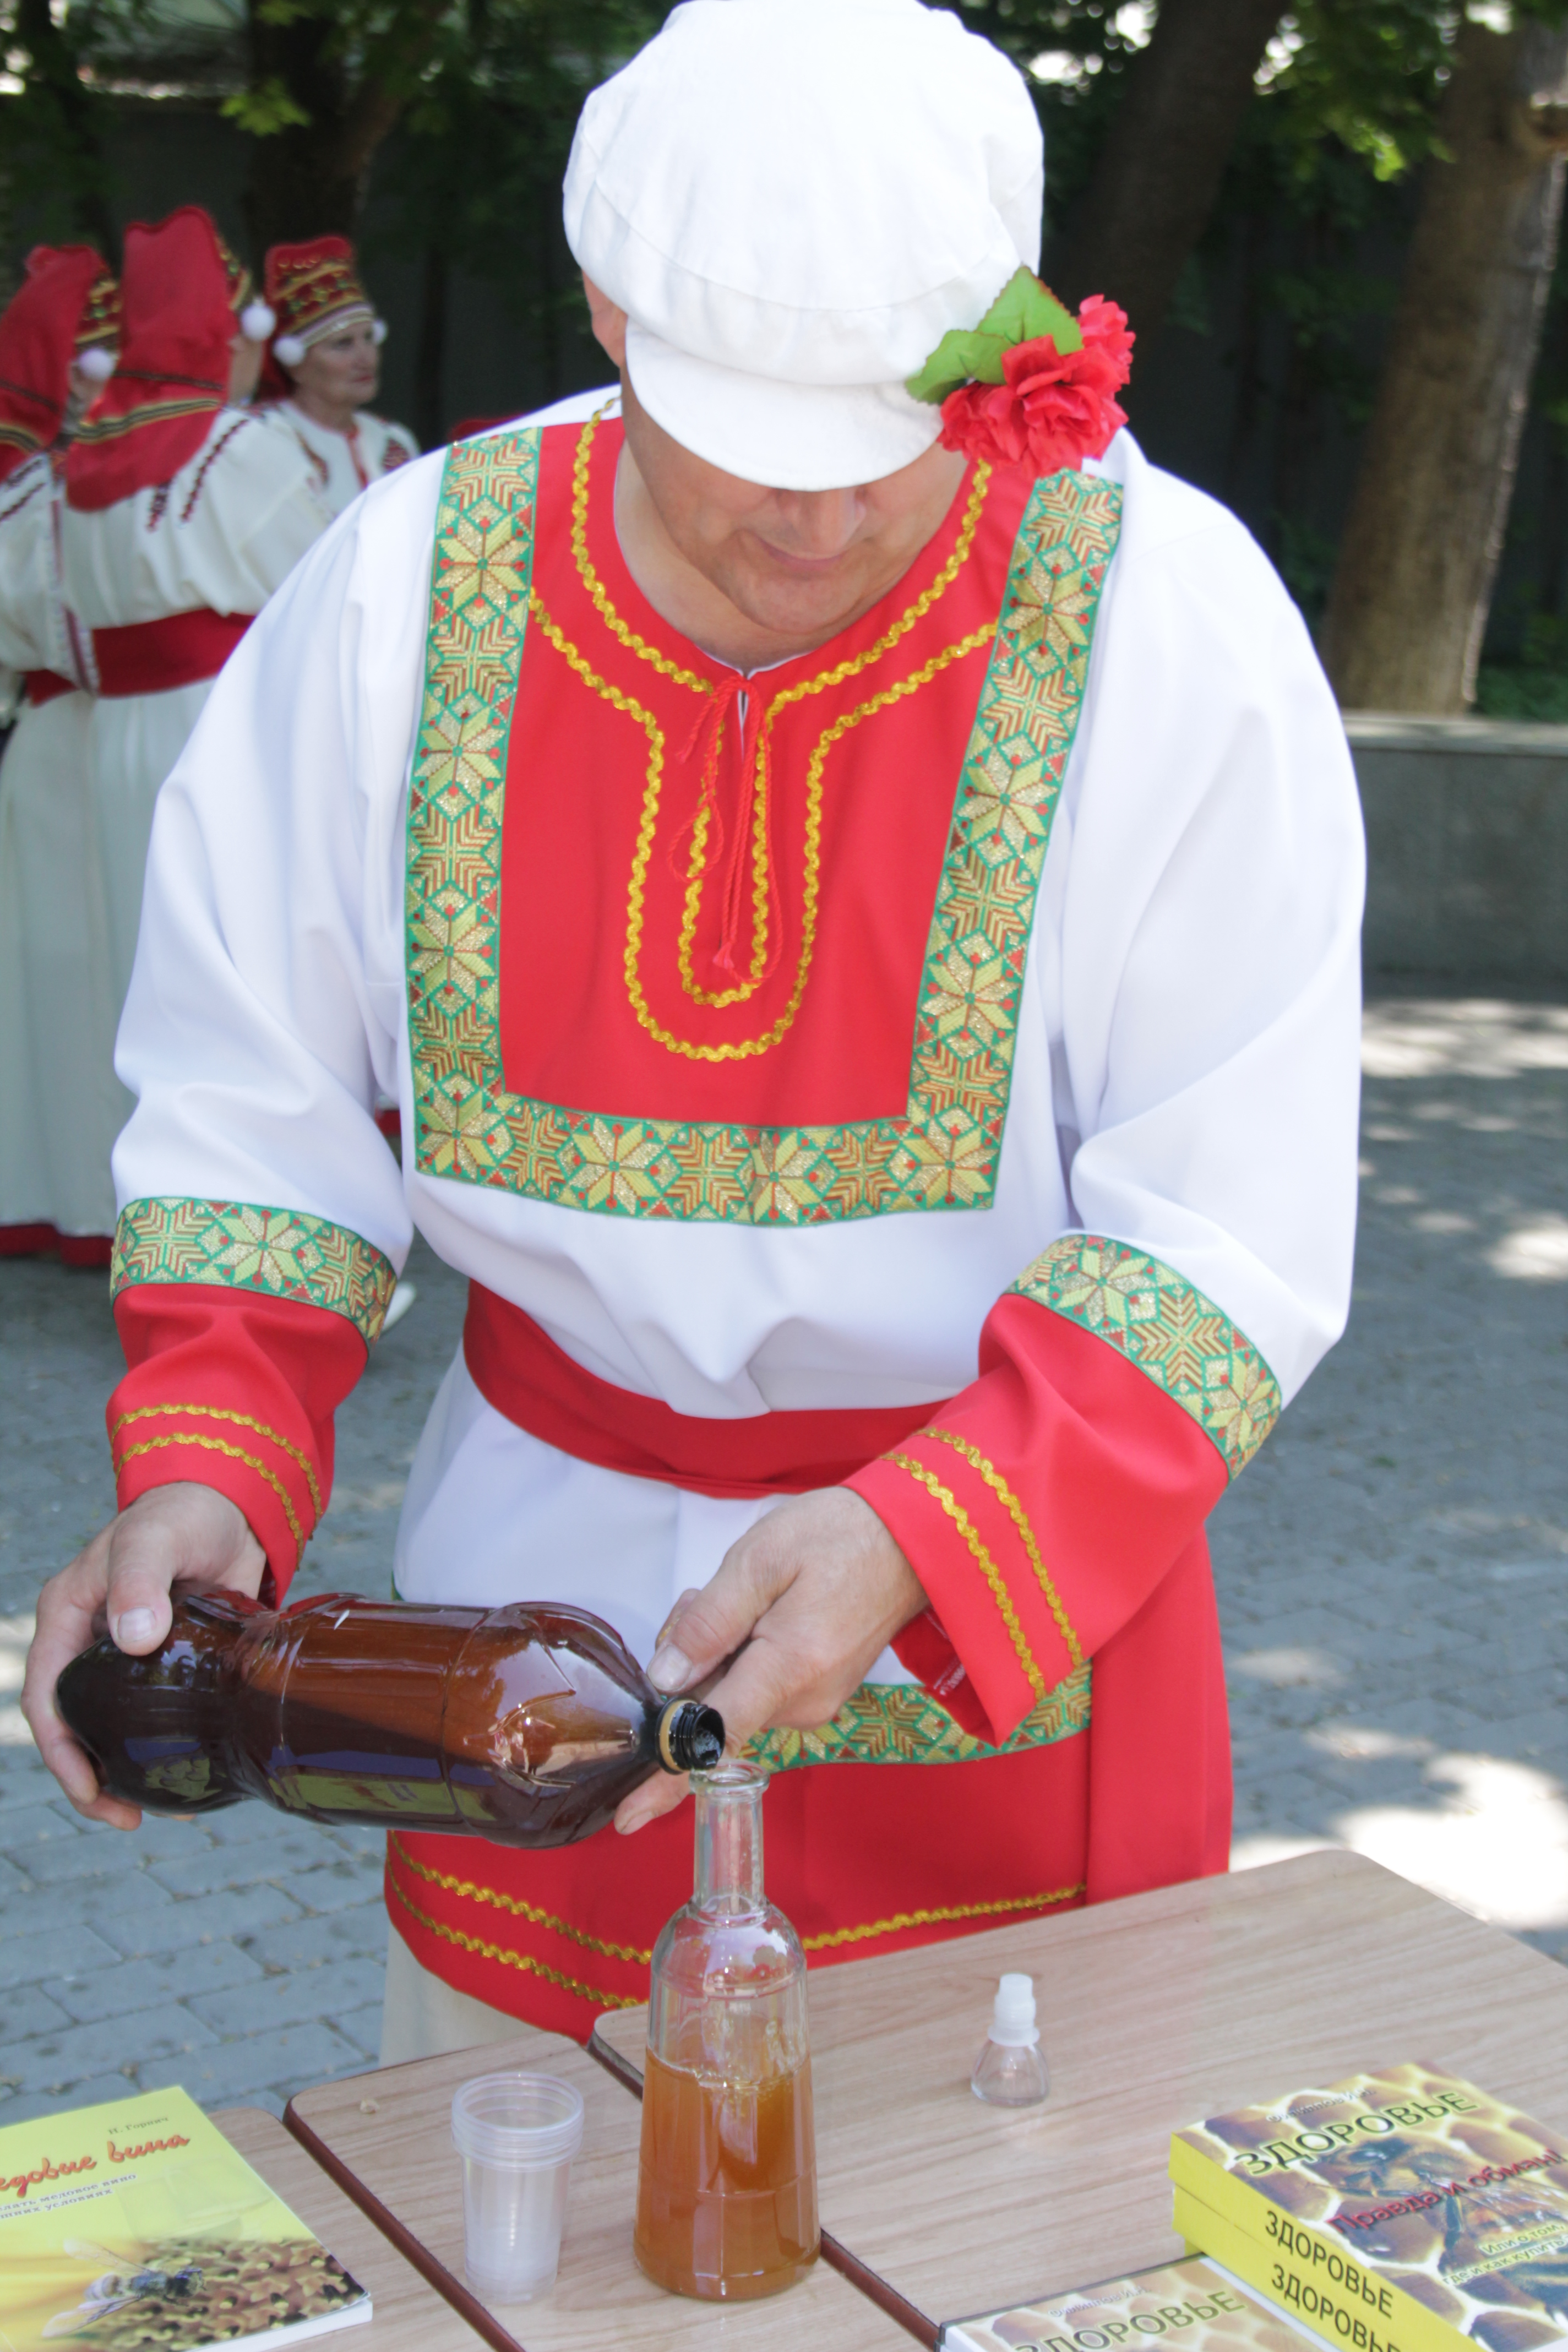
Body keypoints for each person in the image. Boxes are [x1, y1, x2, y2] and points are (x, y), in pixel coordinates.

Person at [24, 0, 1363, 2061]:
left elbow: (1230, 1223)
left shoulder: (1164, 622)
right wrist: (211, 1456)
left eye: (878, 446)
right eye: (756, 450)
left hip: (999, 1633)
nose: (818, 528)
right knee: (520, 2218)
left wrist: (924, 1530)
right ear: (608, 311)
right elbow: (248, 1109)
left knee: (1007, 2224)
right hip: (521, 1650)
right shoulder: (400, 596)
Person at [59, 206, 332, 1018]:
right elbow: (318, 594)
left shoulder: (85, 461)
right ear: (227, 331)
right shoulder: (242, 447)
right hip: (220, 727)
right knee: (238, 976)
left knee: (137, 967)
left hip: (116, 738)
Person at [0, 247, 124, 1264]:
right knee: (71, 966)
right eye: (97, 360)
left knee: (91, 967)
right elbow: (52, 625)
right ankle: (84, 1199)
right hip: (71, 730)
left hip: (92, 727)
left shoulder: (73, 478)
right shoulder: (42, 485)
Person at [260, 237, 417, 514]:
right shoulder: (269, 437)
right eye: (343, 344)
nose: (366, 358)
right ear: (294, 363)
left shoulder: (394, 441)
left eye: (369, 338)